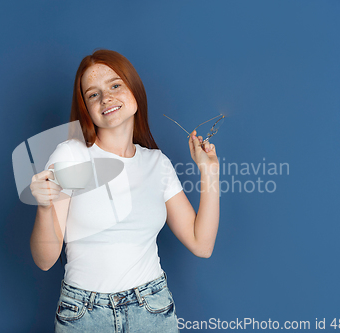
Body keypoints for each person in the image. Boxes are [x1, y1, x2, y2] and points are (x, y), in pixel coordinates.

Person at [29, 49, 220, 332]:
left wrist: (210, 171)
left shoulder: (157, 163)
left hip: (152, 309)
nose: (106, 98)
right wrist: (45, 208)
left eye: (115, 85)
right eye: (93, 94)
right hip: (83, 314)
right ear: (86, 108)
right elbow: (45, 261)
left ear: (134, 90)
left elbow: (201, 244)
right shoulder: (70, 156)